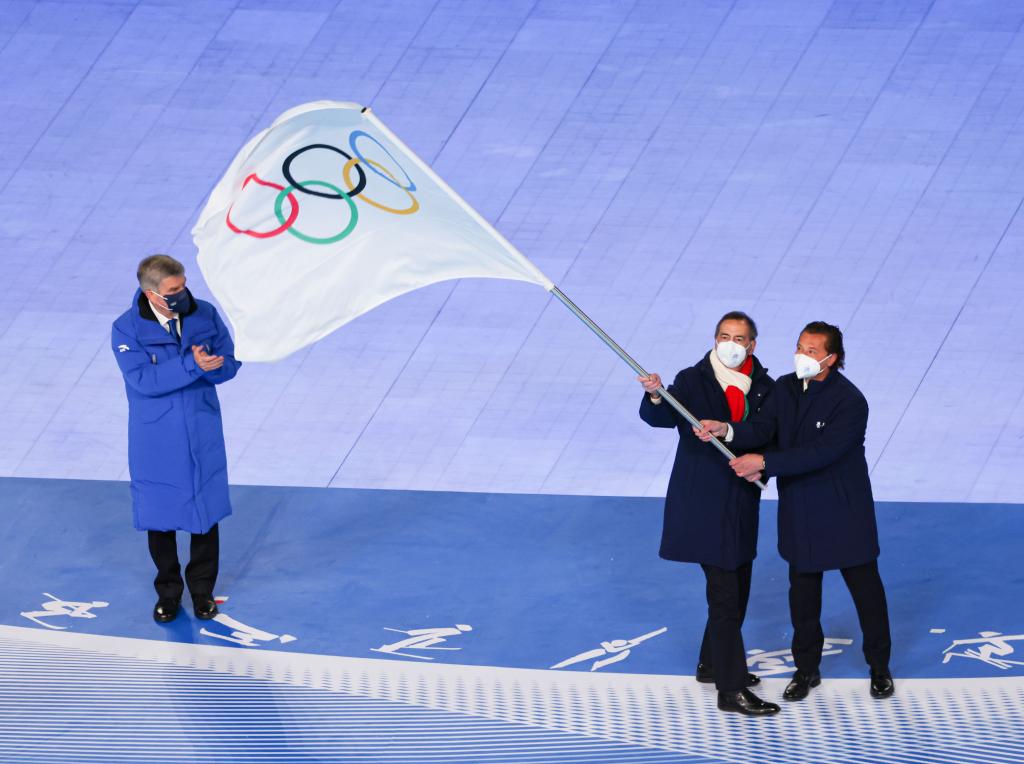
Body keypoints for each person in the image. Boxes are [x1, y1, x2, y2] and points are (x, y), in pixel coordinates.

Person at [697, 321, 894, 700]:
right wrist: (729, 431)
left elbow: (822, 453)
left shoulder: (851, 402)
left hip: (844, 513)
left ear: (832, 359)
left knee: (866, 592)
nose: (803, 355)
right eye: (801, 346)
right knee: (803, 599)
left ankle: (879, 667)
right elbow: (764, 427)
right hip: (800, 510)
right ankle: (806, 670)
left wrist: (765, 463)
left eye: (813, 351)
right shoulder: (785, 388)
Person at [638, 311, 779, 716]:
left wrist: (729, 431)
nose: (730, 344)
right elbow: (660, 417)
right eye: (723, 336)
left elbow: (768, 431)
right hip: (702, 504)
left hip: (740, 501)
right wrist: (655, 394)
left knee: (740, 585)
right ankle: (730, 689)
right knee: (725, 595)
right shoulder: (692, 379)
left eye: (739, 338)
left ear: (752, 344)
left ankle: (712, 663)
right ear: (715, 339)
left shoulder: (766, 387)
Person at [111, 255, 241, 624]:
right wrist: (192, 366)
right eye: (174, 290)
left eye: (183, 285)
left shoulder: (205, 314)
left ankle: (202, 593)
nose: (183, 293)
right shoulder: (127, 329)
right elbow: (143, 381)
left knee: (206, 515)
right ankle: (168, 593)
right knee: (160, 517)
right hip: (157, 437)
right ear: (151, 294)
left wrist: (217, 367)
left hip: (201, 428)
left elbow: (230, 362)